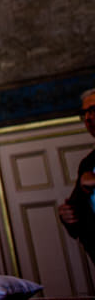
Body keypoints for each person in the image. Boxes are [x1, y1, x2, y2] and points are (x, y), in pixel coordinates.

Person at [59, 88, 95, 263]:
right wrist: (68, 215)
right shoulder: (88, 163)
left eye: (93, 110)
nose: (88, 118)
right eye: (84, 113)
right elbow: (76, 209)